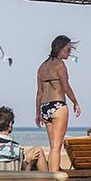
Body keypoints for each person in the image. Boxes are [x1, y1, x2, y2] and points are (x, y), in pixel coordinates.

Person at [35, 35, 81, 172]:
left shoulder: (42, 67)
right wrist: (75, 102)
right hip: (58, 105)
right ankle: (54, 178)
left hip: (45, 107)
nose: (69, 53)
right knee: (56, 147)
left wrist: (37, 113)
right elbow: (65, 87)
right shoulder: (60, 65)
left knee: (52, 147)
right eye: (67, 50)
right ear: (59, 49)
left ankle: (51, 177)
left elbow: (39, 92)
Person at [0, 106, 48, 171]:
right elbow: (24, 172)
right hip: (12, 176)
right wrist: (29, 160)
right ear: (10, 124)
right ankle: (49, 179)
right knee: (38, 150)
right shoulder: (14, 147)